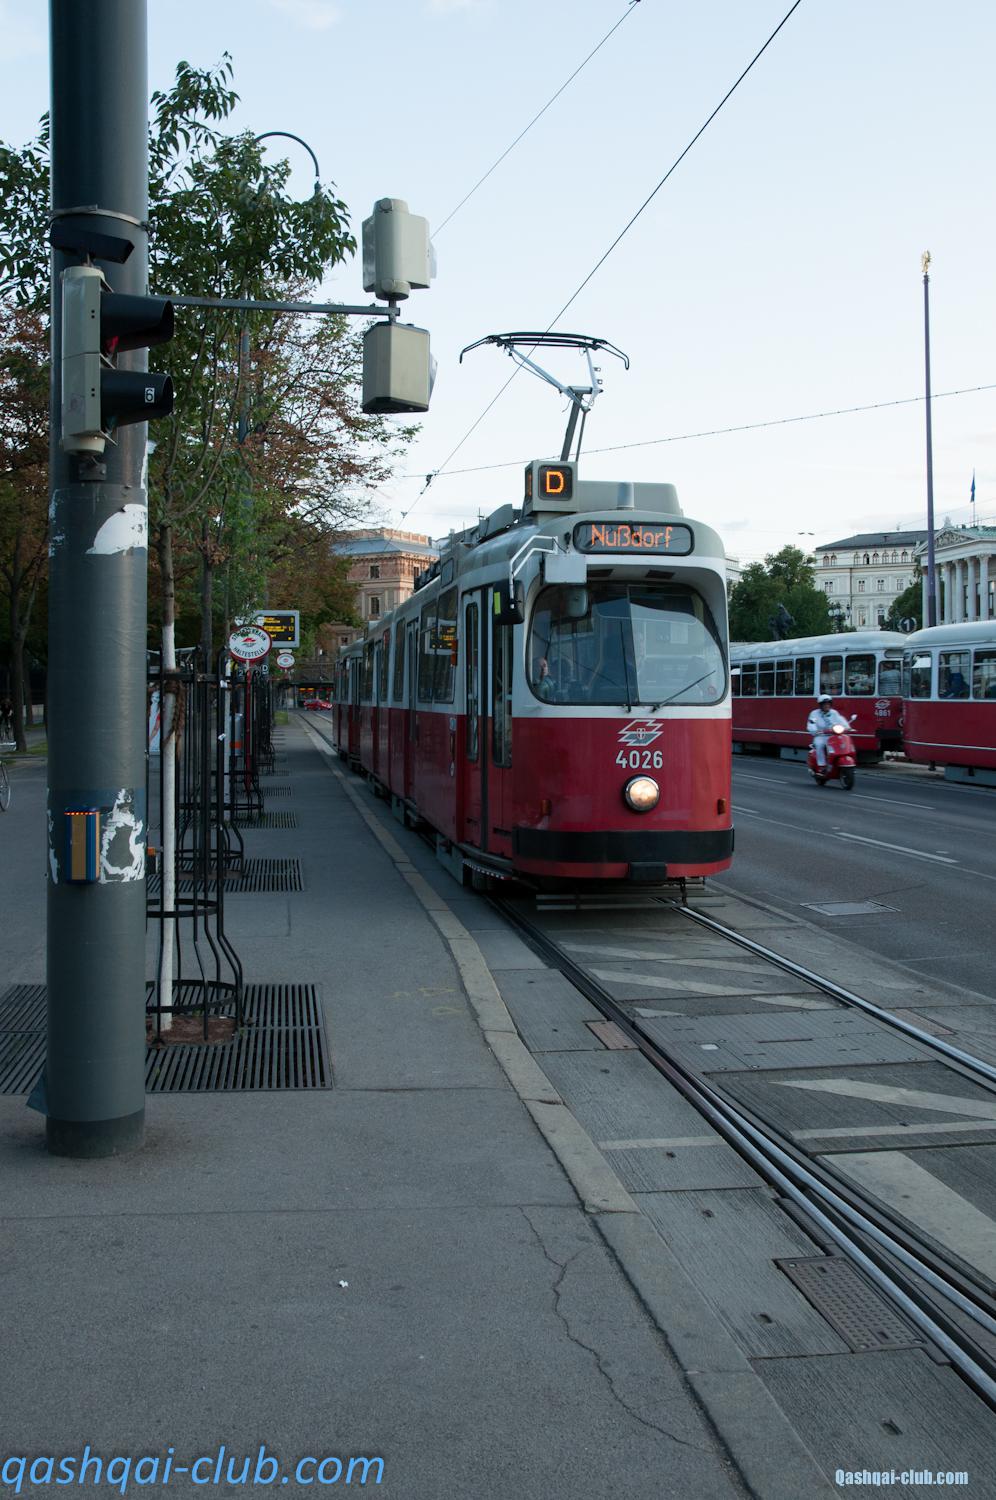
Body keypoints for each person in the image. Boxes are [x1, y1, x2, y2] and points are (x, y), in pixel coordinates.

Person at [807, 693, 849, 768]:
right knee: (819, 745)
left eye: (828, 704)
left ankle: (837, 762)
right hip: (821, 736)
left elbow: (841, 720)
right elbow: (811, 724)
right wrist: (814, 731)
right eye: (824, 704)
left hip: (833, 735)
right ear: (820, 705)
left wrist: (847, 727)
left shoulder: (834, 713)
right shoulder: (814, 713)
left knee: (842, 742)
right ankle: (821, 765)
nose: (827, 706)